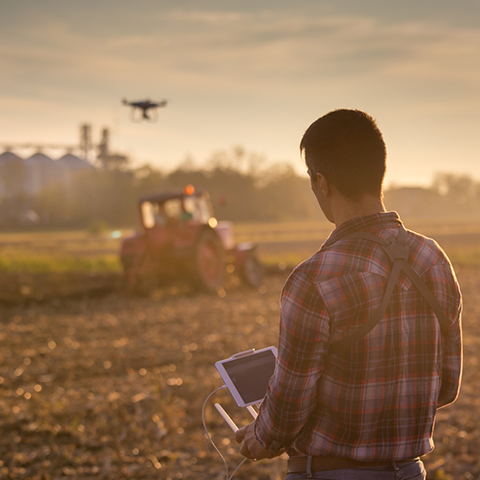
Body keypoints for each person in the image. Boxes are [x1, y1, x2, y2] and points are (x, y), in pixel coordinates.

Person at [235, 109, 463, 479]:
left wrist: (261, 437)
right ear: (379, 170)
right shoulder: (433, 259)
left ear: (321, 182)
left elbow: (290, 404)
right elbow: (448, 385)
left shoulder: (314, 278)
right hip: (410, 472)